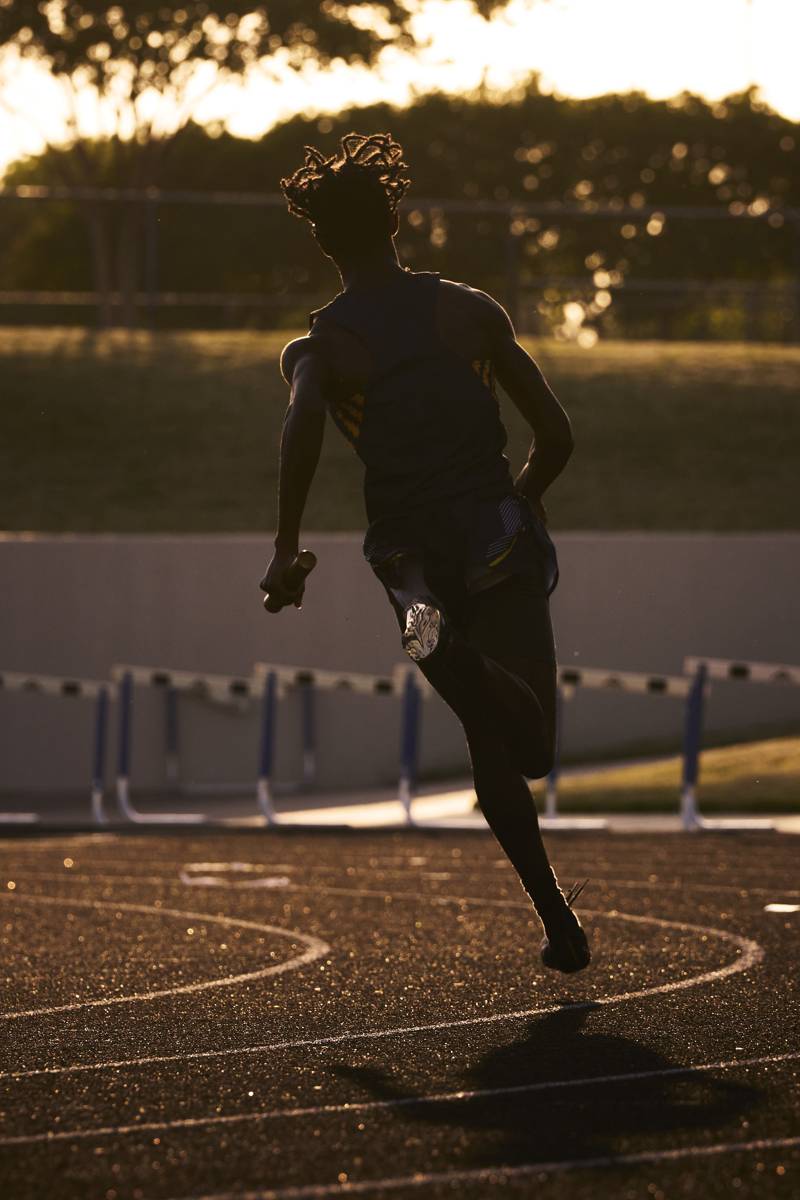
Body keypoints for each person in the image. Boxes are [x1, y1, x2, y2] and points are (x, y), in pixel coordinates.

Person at [260, 132, 590, 974]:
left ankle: (559, 924)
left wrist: (288, 548)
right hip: (495, 532)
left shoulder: (319, 349)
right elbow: (554, 435)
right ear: (396, 219)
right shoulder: (471, 311)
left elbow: (301, 428)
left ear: (323, 241)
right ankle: (554, 920)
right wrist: (525, 496)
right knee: (529, 747)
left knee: (481, 719)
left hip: (405, 549)